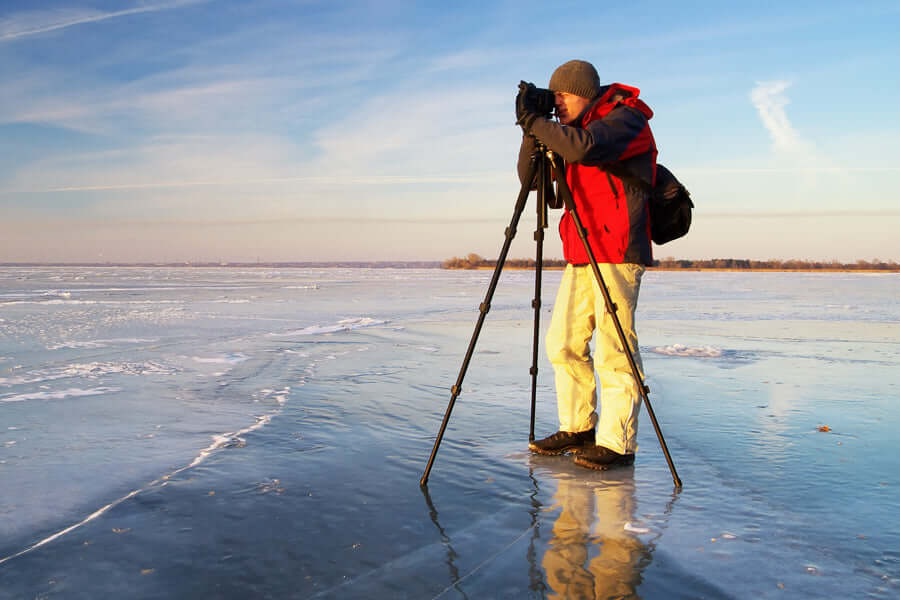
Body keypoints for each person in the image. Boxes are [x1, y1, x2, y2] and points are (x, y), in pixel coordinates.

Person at [515, 59, 657, 471]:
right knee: (563, 342)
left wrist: (539, 123)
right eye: (553, 96)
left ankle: (617, 442)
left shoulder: (624, 119)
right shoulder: (566, 132)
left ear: (585, 93)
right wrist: (532, 128)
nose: (556, 103)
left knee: (615, 348)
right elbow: (532, 182)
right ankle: (578, 427)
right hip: (580, 250)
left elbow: (585, 148)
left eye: (562, 95)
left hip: (616, 250)